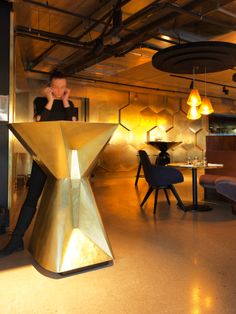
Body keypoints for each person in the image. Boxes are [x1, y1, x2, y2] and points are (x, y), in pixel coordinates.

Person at [0, 70, 75, 257]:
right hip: (42, 157)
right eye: (55, 87)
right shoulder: (40, 102)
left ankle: (61, 243)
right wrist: (50, 100)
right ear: (50, 86)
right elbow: (40, 124)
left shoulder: (70, 104)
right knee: (31, 198)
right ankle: (16, 240)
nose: (59, 90)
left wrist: (65, 101)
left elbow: (73, 127)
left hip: (62, 159)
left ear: (66, 88)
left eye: (62, 87)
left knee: (63, 202)